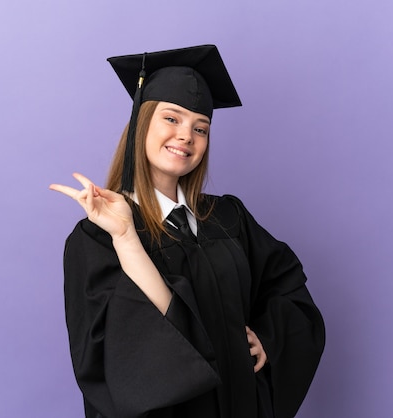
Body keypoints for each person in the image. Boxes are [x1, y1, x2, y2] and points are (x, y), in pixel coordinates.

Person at [50, 45, 325, 418]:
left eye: (200, 128)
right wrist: (127, 237)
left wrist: (270, 338)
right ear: (141, 123)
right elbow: (115, 351)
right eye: (172, 118)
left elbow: (286, 287)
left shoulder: (228, 216)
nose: (186, 136)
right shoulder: (98, 237)